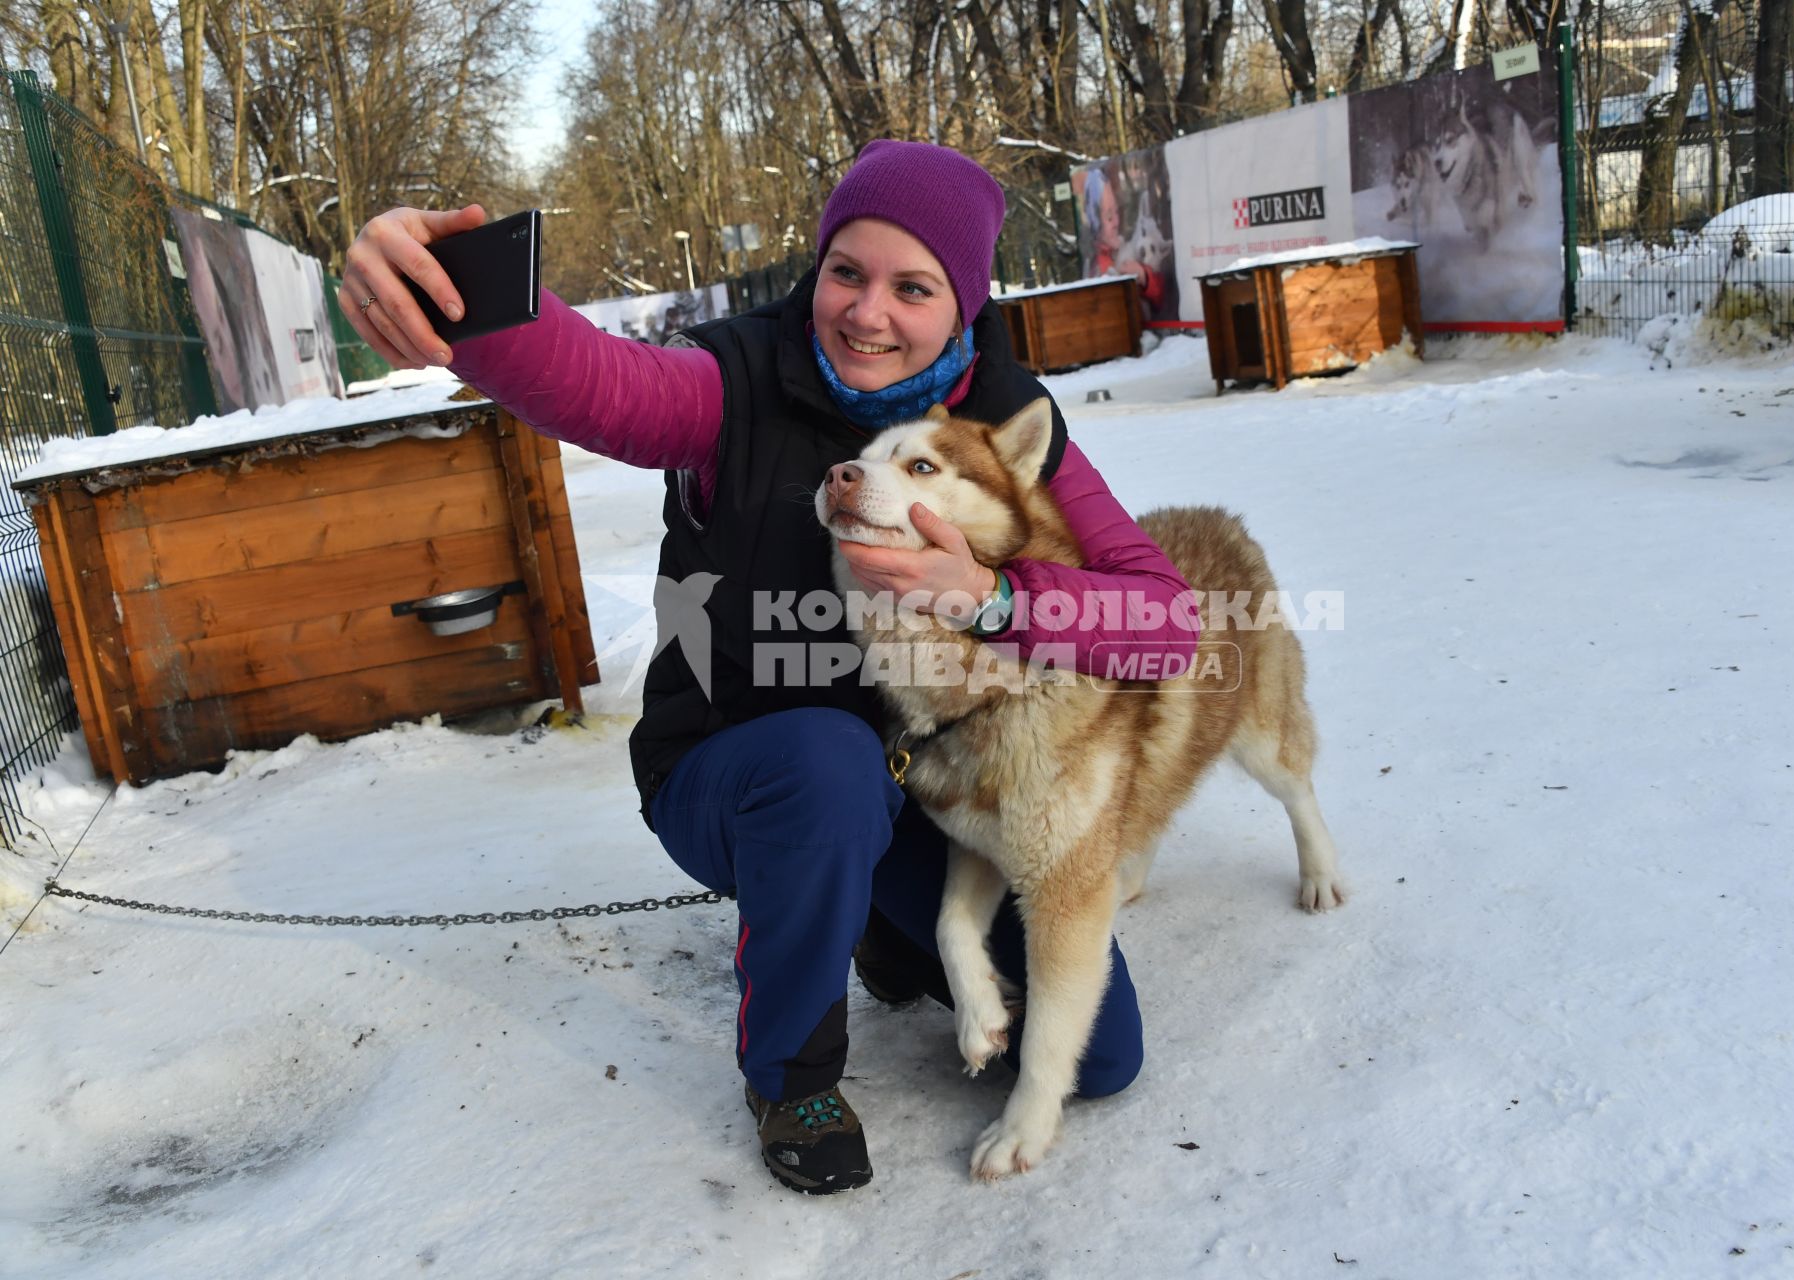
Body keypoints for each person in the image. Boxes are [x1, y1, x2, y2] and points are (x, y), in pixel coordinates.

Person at [340, 140, 1198, 1195]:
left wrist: (993, 596)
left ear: (963, 305)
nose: (867, 311)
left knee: (1100, 1056)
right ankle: (791, 1071)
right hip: (736, 768)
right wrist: (464, 304)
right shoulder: (737, 382)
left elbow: (1166, 622)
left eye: (913, 287)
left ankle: (877, 918)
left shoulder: (1005, 426)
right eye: (848, 270)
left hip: (919, 787)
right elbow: (603, 383)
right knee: (828, 762)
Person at [1082, 165, 1167, 319]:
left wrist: (1144, 276)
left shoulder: (1127, 248)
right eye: (1108, 217)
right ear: (1095, 223)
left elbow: (1162, 298)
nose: (1116, 222)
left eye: (1116, 212)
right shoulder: (1094, 265)